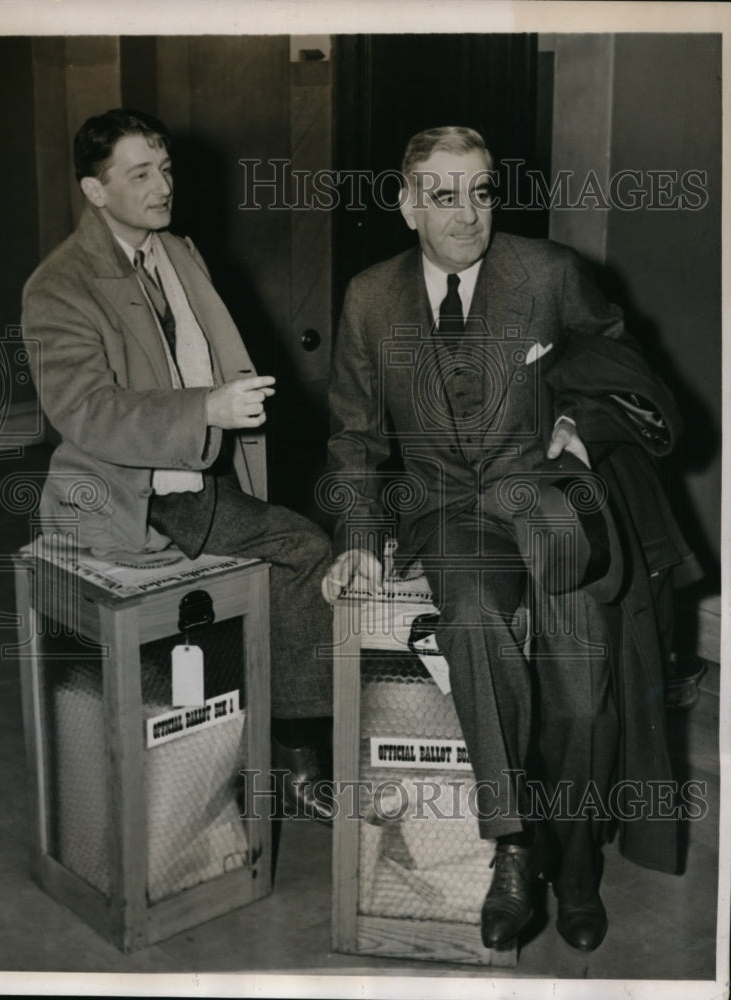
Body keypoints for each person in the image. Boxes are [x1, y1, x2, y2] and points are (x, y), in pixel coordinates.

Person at [323, 126, 698, 951]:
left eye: (483, 192)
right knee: (471, 618)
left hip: (551, 504)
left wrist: (577, 419)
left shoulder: (550, 273)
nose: (468, 214)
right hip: (448, 511)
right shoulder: (368, 297)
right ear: (409, 203)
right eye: (446, 195)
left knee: (581, 688)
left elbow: (624, 370)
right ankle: (517, 842)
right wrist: (356, 533)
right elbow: (353, 439)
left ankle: (575, 870)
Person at [22, 108, 333, 820]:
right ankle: (285, 761)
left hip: (196, 477)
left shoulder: (177, 250)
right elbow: (88, 412)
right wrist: (205, 412)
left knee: (296, 555)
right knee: (301, 549)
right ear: (94, 192)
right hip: (129, 494)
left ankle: (281, 759)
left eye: (164, 169)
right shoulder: (58, 285)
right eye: (140, 174)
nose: (162, 185)